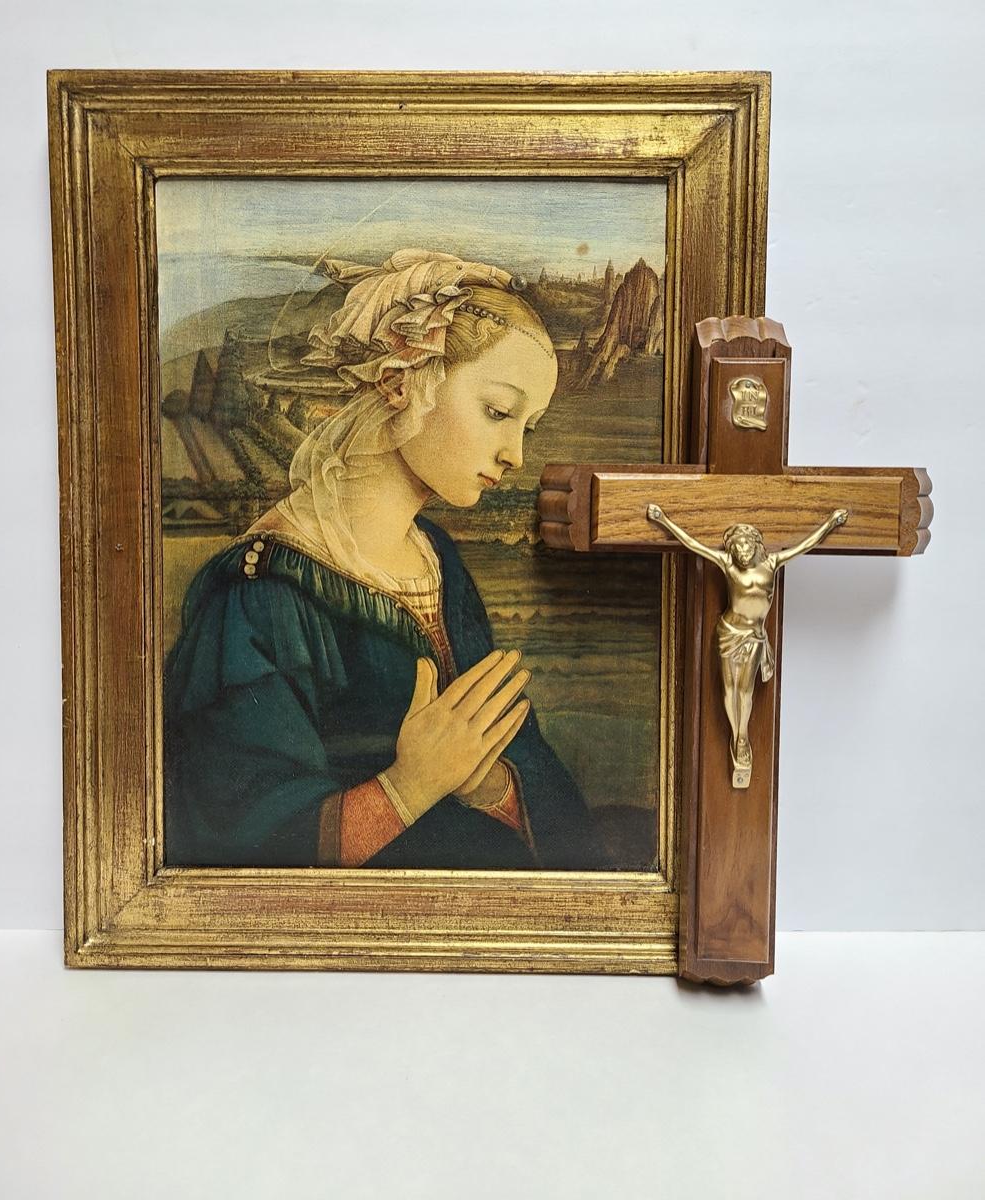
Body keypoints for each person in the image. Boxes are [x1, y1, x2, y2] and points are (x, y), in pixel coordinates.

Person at [164, 249, 609, 870]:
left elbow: (526, 770)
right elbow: (233, 837)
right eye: (497, 412)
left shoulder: (439, 560)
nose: (514, 454)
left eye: (527, 427)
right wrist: (410, 787)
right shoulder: (260, 590)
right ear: (401, 383)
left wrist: (485, 784)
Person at [646, 504, 847, 784]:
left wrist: (831, 523)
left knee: (746, 690)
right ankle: (737, 734)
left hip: (753, 635)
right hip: (729, 633)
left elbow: (805, 545)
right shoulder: (727, 564)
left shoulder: (771, 563)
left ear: (755, 546)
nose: (741, 551)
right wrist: (664, 520)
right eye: (737, 547)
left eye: (746, 546)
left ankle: (742, 737)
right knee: (729, 690)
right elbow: (692, 544)